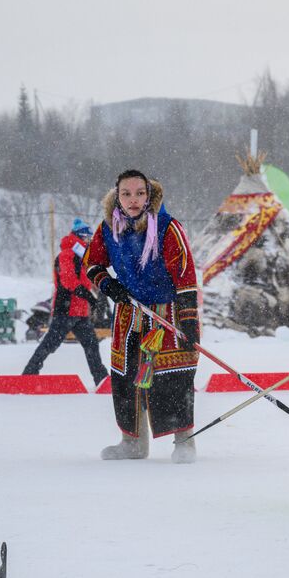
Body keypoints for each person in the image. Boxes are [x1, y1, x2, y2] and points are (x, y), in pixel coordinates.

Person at [83, 170, 200, 464]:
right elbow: (91, 263)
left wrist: (188, 321)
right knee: (125, 378)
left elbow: (185, 275)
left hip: (166, 313)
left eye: (139, 193)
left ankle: (184, 441)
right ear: (117, 196)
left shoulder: (166, 227)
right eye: (126, 193)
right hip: (128, 313)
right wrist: (108, 285)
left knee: (173, 376)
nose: (133, 200)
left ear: (149, 195)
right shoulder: (108, 228)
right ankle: (132, 442)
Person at [21, 218, 109, 383]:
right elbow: (68, 282)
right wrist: (89, 296)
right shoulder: (67, 254)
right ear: (80, 237)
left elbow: (86, 280)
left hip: (80, 312)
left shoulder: (82, 257)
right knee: (50, 344)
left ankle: (101, 378)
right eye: (87, 238)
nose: (89, 241)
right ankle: (28, 375)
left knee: (91, 344)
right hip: (66, 310)